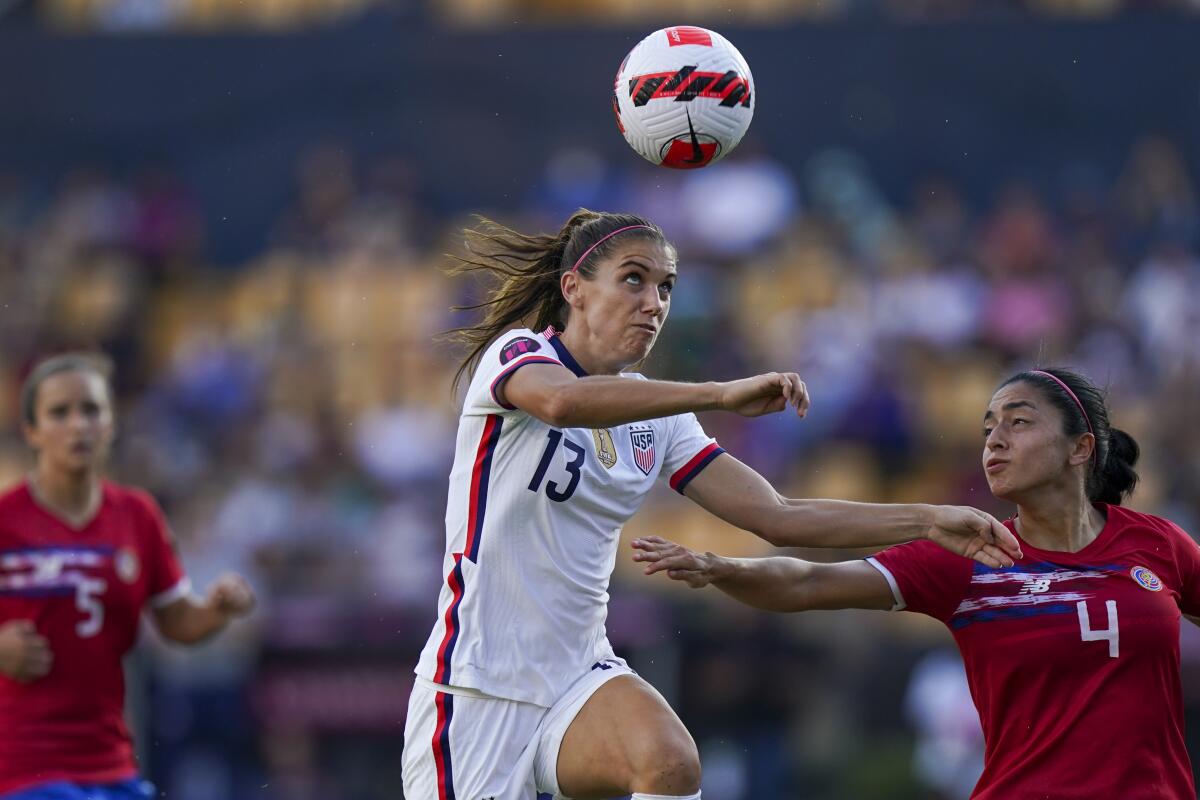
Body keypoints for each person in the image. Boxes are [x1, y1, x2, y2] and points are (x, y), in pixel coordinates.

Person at [402, 208, 1021, 800]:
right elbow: (563, 404)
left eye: (666, 288)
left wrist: (928, 519)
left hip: (576, 673)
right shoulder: (517, 356)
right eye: (634, 280)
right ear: (575, 288)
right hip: (478, 686)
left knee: (669, 761)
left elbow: (777, 515)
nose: (654, 303)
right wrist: (720, 393)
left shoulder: (661, 419)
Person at [634, 366, 1199, 800]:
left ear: (1081, 447)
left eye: (1018, 422)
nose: (994, 441)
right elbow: (805, 583)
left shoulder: (1159, 544)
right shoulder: (966, 555)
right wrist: (724, 568)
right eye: (988, 428)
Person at [0, 353, 256, 800]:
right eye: (60, 412)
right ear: (32, 431)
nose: (78, 424)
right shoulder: (6, 520)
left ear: (111, 424)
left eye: (91, 410)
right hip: (23, 768)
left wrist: (216, 609)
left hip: (112, 765)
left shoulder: (137, 516)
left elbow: (176, 622)